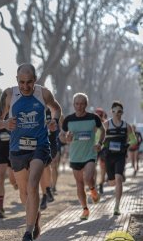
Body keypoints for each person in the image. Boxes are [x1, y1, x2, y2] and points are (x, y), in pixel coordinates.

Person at [0, 63, 62, 241]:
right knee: (24, 192)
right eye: (22, 82)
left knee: (33, 186)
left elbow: (56, 109)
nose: (25, 86)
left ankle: (27, 233)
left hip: (40, 146)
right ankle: (35, 216)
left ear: (35, 80)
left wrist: (54, 121)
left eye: (29, 82)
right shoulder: (9, 94)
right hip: (17, 150)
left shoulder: (43, 94)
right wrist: (5, 123)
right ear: (17, 80)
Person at [59, 93, 104, 221]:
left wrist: (100, 143)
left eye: (82, 103)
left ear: (86, 104)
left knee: (88, 177)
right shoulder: (68, 120)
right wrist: (66, 138)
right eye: (77, 104)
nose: (79, 106)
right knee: (79, 184)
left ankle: (93, 189)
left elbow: (103, 131)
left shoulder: (93, 118)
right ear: (74, 105)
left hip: (90, 154)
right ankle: (85, 209)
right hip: (75, 156)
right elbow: (62, 136)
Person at [102, 101, 137, 215]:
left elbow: (134, 140)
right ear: (111, 112)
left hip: (120, 156)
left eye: (120, 111)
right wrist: (102, 145)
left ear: (122, 112)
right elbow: (99, 139)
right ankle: (113, 184)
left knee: (118, 179)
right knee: (112, 182)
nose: (117, 113)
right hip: (109, 156)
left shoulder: (127, 126)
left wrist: (126, 145)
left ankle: (117, 206)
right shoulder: (106, 125)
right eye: (115, 111)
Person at [94, 107, 108, 194]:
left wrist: (102, 144)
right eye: (97, 115)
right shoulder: (92, 124)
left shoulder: (106, 124)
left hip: (103, 148)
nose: (99, 116)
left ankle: (101, 184)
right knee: (93, 167)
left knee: (103, 167)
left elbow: (108, 137)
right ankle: (94, 184)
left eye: (100, 115)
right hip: (94, 148)